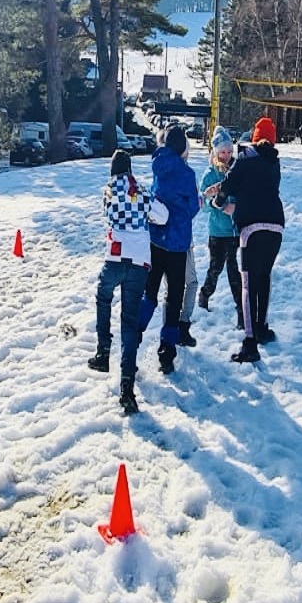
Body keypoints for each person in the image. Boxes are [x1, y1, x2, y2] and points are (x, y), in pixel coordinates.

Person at [89, 150, 168, 415]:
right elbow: (163, 216)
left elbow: (109, 215)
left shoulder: (108, 191)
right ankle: (126, 385)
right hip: (138, 263)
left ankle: (103, 350)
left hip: (114, 259)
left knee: (103, 297)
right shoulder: (141, 192)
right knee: (130, 322)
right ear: (130, 168)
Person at [215, 116, 285, 364]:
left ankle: (249, 341)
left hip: (251, 228)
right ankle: (262, 327)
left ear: (254, 138)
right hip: (276, 225)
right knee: (264, 277)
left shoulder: (245, 157)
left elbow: (229, 185)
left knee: (248, 284)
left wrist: (218, 200)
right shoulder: (274, 162)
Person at [143, 124, 201, 375]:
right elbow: (192, 208)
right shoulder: (187, 174)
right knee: (174, 295)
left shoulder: (157, 165)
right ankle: (166, 351)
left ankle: (134, 334)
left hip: (156, 240)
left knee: (150, 291)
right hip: (177, 243)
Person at [198, 127, 243, 330]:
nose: (226, 156)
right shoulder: (210, 174)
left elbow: (243, 195)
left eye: (229, 151)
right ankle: (204, 294)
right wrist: (218, 204)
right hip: (217, 231)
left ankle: (241, 309)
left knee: (234, 271)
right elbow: (203, 204)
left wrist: (237, 207)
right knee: (215, 269)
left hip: (234, 231)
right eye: (222, 152)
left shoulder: (237, 170)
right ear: (215, 152)